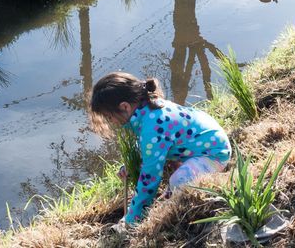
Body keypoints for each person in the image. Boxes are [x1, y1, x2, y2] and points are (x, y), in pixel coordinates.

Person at [90, 72, 231, 227]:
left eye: (110, 117)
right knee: (174, 176)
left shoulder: (152, 126)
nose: (112, 122)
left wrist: (132, 219)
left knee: (178, 180)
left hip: (214, 154)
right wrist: (132, 164)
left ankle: (170, 204)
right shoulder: (150, 107)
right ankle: (172, 190)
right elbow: (150, 147)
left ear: (125, 106)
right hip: (200, 145)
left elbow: (149, 178)